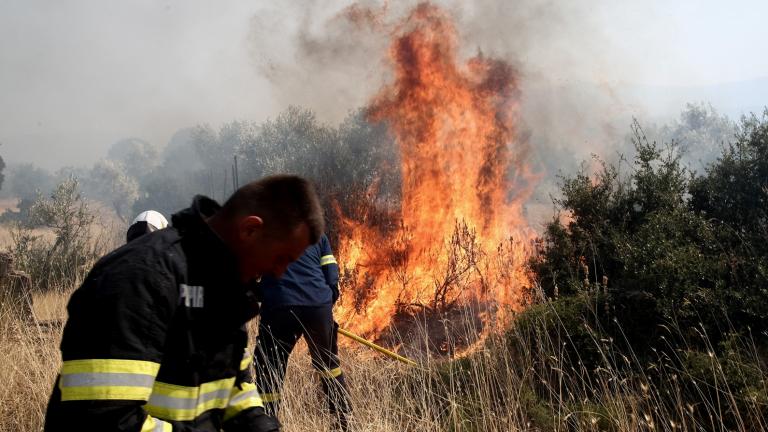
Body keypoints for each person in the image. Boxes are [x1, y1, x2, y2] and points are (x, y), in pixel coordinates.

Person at [44, 175, 324, 432]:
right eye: (282, 258)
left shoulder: (224, 290)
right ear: (250, 230)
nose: (279, 273)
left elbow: (234, 386)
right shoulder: (140, 278)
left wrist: (260, 426)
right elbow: (103, 420)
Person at [254, 233, 351, 430]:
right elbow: (331, 271)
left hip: (280, 306)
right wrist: (326, 300)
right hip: (317, 306)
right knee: (328, 364)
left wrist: (261, 293)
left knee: (269, 366)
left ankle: (267, 421)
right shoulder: (317, 235)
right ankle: (342, 421)